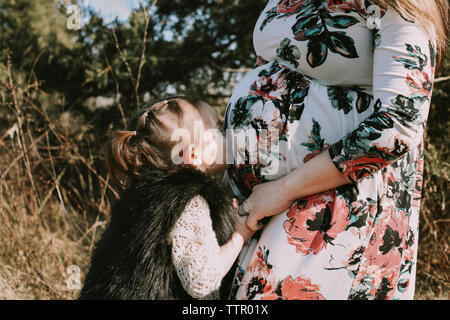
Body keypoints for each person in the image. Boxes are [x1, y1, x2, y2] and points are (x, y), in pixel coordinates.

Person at [224, 0, 448, 300]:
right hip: (261, 199)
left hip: (333, 202)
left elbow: (399, 123)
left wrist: (283, 189)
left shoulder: (398, 5)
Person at [79, 96, 255, 299]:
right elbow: (201, 280)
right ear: (193, 155)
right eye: (211, 136)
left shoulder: (138, 195)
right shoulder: (190, 202)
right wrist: (239, 237)